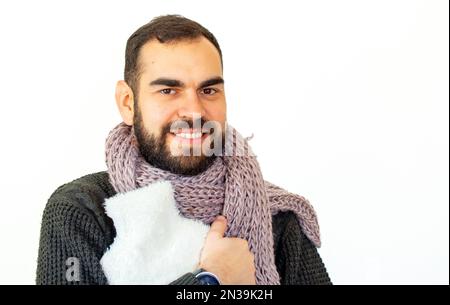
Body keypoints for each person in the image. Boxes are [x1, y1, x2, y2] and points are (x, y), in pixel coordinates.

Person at [36, 15, 331, 285]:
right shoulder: (82, 211)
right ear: (128, 102)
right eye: (168, 90)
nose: (194, 110)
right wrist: (212, 281)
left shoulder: (276, 218)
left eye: (209, 90)